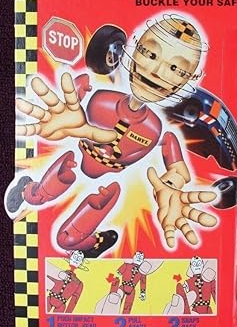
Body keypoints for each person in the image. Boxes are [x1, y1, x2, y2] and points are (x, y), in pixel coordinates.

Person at [7, 16, 217, 257]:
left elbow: (178, 170)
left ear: (188, 80)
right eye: (150, 54)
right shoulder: (98, 97)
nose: (157, 72)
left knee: (67, 239)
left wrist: (170, 187)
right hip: (76, 159)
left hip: (112, 185)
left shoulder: (157, 130)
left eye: (175, 69)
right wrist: (60, 119)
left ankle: (98, 242)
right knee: (36, 196)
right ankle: (26, 189)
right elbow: (69, 104)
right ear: (132, 49)